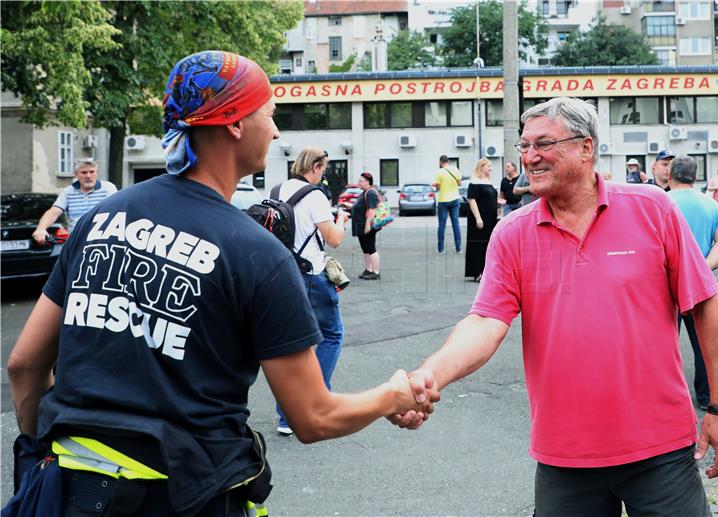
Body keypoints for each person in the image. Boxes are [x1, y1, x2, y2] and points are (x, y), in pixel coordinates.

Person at [6, 51, 425, 516]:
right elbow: (313, 416)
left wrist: (40, 451)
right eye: (269, 114)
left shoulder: (102, 218)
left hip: (66, 492)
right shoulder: (259, 254)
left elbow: (24, 364)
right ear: (234, 124)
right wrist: (393, 395)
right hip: (183, 496)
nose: (278, 130)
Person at [394, 97, 718, 516]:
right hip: (565, 456)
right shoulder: (513, 233)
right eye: (523, 146)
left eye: (543, 144)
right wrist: (428, 377)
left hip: (660, 448)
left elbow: (704, 306)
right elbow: (485, 321)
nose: (529, 157)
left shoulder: (652, 209)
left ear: (586, 147)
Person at [273, 147, 349, 436]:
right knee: (331, 334)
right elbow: (335, 239)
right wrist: (340, 219)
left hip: (281, 275)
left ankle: (285, 418)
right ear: (315, 166)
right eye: (324, 168)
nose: (323, 173)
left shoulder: (278, 188)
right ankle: (317, 402)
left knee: (291, 344)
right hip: (311, 276)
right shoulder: (315, 195)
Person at [668, 155, 718, 410]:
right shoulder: (712, 205)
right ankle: (706, 398)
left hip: (664, 285)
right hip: (699, 286)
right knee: (703, 344)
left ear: (671, 173)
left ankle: (667, 397)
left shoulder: (661, 201)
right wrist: (703, 268)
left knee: (664, 343)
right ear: (695, 176)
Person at [32, 158, 118, 243]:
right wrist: (41, 229)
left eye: (92, 172)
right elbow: (54, 212)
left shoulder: (108, 188)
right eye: (84, 172)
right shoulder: (68, 192)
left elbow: (119, 209)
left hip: (102, 240)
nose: (88, 176)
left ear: (97, 173)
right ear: (76, 174)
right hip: (77, 241)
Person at [464, 158, 498, 282]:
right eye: (489, 166)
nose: (491, 168)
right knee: (478, 244)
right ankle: (477, 272)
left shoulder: (488, 181)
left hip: (490, 218)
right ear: (481, 167)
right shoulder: (474, 182)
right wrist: (478, 218)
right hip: (480, 219)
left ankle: (486, 271)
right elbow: (471, 200)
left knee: (488, 245)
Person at [351, 172, 381, 279]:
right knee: (366, 249)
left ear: (367, 182)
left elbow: (372, 209)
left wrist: (368, 224)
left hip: (367, 225)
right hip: (361, 225)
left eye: (361, 181)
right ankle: (369, 269)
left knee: (371, 248)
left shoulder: (370, 193)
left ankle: (376, 272)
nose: (358, 182)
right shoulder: (365, 192)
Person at [432, 155, 462, 254]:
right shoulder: (455, 169)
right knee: (456, 224)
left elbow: (438, 187)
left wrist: (437, 186)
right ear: (448, 161)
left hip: (443, 200)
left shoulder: (439, 172)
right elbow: (459, 183)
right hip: (455, 199)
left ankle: (441, 249)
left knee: (442, 225)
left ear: (441, 162)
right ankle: (458, 249)